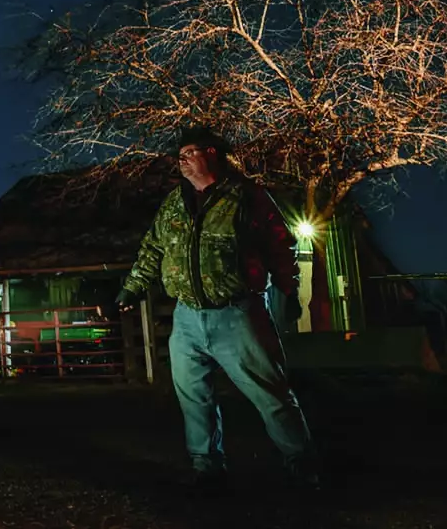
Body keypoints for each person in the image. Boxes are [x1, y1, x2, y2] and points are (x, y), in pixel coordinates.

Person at [116, 124, 319, 491]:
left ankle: (301, 463)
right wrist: (131, 289)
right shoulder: (174, 202)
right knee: (194, 396)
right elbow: (153, 249)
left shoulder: (246, 197)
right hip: (187, 316)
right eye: (179, 155)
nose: (182, 160)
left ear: (212, 154)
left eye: (190, 152)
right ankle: (206, 467)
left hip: (237, 313)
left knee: (269, 392)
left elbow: (279, 247)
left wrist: (290, 293)